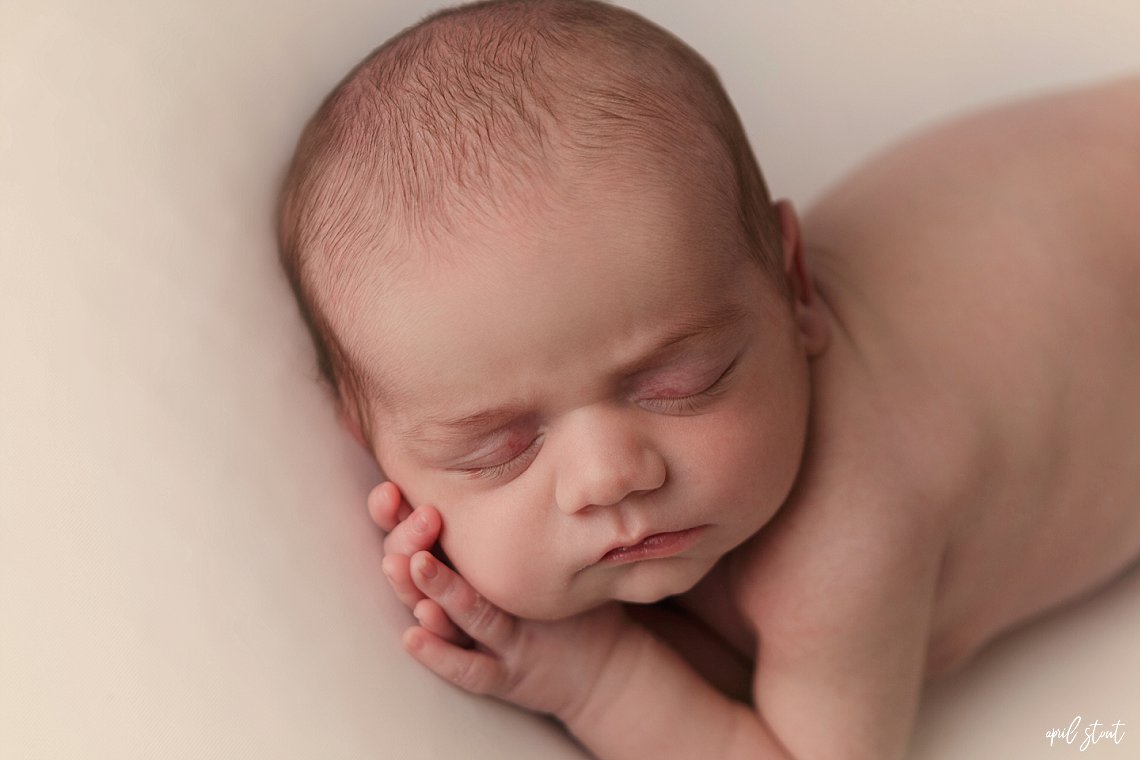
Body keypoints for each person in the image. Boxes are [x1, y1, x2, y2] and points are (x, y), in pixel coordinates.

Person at [276, 1, 1140, 757]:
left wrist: (601, 677)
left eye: (679, 381)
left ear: (792, 289)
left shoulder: (839, 546)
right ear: (377, 451)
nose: (610, 476)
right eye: (497, 448)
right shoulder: (696, 455)